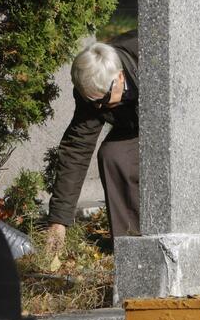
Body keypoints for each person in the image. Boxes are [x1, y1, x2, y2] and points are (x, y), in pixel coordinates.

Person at [45, 30, 139, 248]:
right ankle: (131, 246)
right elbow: (77, 148)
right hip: (138, 127)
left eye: (103, 100)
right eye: (92, 102)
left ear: (120, 77)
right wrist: (59, 221)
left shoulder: (148, 56)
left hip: (182, 125)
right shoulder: (95, 89)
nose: (99, 108)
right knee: (114, 155)